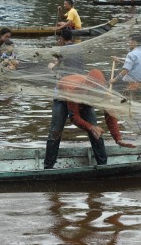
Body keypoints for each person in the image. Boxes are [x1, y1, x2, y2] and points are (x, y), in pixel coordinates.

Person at [44, 28, 107, 169]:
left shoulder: (62, 51)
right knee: (95, 129)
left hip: (70, 93)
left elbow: (56, 69)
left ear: (61, 39)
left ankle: (48, 167)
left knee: (55, 131)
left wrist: (52, 66)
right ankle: (103, 164)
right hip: (78, 90)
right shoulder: (78, 49)